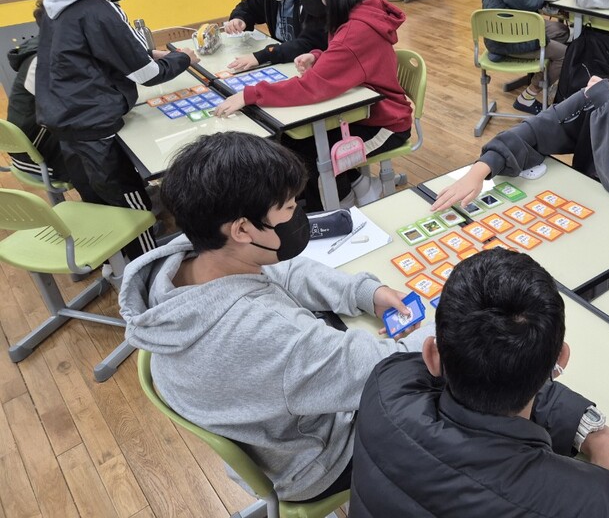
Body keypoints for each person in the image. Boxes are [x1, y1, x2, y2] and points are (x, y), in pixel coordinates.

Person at [119, 132, 432, 502]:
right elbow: (383, 368)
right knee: (457, 387)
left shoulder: (185, 261)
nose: (297, 214)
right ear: (242, 229)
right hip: (316, 462)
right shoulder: (269, 335)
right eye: (287, 207)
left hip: (268, 433)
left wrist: (364, 293)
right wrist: (449, 320)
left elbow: (285, 272)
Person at [350, 248, 609, 517]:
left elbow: (487, 372)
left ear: (432, 355)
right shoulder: (608, 503)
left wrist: (589, 430)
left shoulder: (387, 385)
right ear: (561, 361)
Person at [433, 17, 609, 221]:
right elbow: (538, 128)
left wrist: (607, 108)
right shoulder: (607, 91)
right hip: (586, 207)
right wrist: (480, 170)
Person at [36, 0, 198, 259]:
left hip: (63, 115)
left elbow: (85, 52)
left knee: (95, 194)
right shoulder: (96, 9)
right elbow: (149, 75)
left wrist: (144, 53)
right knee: (129, 203)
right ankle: (147, 266)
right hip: (92, 119)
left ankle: (114, 258)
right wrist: (185, 57)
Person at [214, 0, 412, 209]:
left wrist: (250, 94)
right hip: (362, 110)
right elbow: (349, 58)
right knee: (297, 144)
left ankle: (339, 211)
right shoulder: (355, 4)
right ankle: (355, 193)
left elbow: (312, 87)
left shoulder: (356, 27)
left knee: (315, 157)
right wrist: (318, 56)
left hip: (386, 122)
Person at [4, 0, 68, 183]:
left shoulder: (52, 45)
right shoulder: (44, 60)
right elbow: (72, 107)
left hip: (40, 140)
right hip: (36, 155)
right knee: (107, 146)